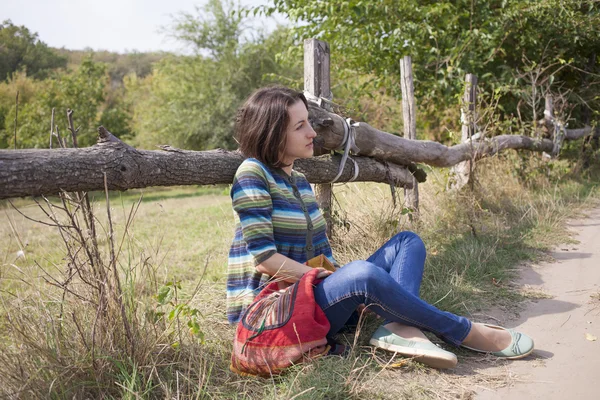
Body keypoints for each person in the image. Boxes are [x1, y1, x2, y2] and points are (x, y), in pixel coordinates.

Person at [226, 86, 534, 369]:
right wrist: (341, 281)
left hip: (312, 296)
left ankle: (400, 327)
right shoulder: (253, 174)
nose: (312, 132)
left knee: (407, 242)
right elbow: (265, 260)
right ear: (273, 134)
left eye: (309, 121)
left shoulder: (300, 181)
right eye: (300, 126)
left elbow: (322, 255)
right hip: (274, 311)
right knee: (361, 274)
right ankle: (462, 331)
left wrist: (344, 287)